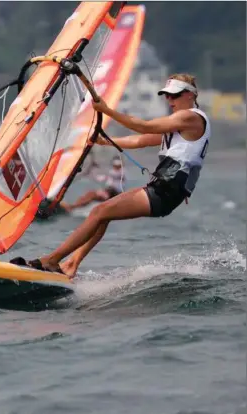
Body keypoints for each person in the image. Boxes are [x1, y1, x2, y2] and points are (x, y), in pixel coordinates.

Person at [11, 73, 210, 277]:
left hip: (166, 191)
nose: (169, 100)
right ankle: (71, 264)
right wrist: (104, 141)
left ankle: (51, 260)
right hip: (163, 190)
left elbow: (144, 126)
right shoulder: (178, 126)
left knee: (99, 212)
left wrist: (106, 110)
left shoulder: (190, 118)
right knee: (103, 214)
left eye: (174, 96)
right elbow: (140, 140)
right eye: (166, 96)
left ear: (189, 95)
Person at [59, 155, 126, 212]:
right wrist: (90, 171)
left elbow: (114, 175)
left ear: (120, 165)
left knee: (93, 195)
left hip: (114, 194)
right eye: (115, 165)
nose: (116, 167)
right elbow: (100, 178)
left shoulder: (122, 172)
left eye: (117, 165)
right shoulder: (112, 171)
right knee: (90, 193)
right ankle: (73, 206)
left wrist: (96, 167)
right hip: (108, 191)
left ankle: (72, 207)